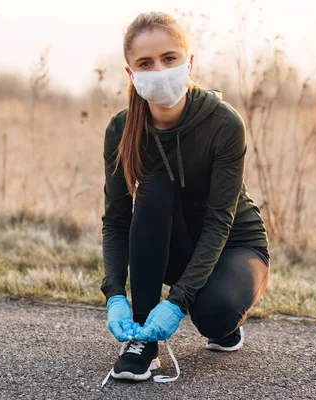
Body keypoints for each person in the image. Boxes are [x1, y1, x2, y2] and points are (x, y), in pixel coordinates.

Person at [101, 11, 270, 382]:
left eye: (169, 58)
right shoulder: (121, 130)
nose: (159, 70)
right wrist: (114, 295)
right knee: (154, 187)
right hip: (171, 243)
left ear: (189, 62)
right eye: (145, 63)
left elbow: (219, 221)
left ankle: (222, 317)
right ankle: (143, 343)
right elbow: (115, 221)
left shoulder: (224, 124)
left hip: (234, 244)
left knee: (215, 315)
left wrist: (177, 303)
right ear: (131, 74)